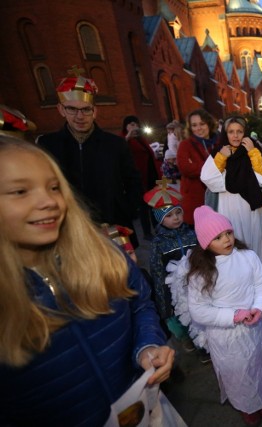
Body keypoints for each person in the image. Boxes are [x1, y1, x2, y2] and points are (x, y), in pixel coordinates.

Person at [0, 137, 175, 426]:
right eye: (20, 191)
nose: (48, 201)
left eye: (54, 187)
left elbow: (139, 304)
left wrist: (147, 346)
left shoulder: (103, 255)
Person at [187, 206, 262, 427]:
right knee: (236, 371)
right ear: (206, 243)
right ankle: (246, 405)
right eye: (218, 237)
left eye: (228, 233)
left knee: (257, 362)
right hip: (225, 336)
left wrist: (259, 306)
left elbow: (261, 283)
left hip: (253, 328)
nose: (226, 239)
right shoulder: (201, 274)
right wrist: (233, 315)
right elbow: (199, 310)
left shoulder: (248, 256)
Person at [37, 70, 142, 245]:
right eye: (72, 109)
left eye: (86, 109)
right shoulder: (48, 145)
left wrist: (127, 211)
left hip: (113, 227)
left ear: (94, 111)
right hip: (69, 232)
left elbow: (133, 181)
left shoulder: (115, 144)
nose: (80, 116)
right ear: (61, 109)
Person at [201, 116, 262, 276]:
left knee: (255, 246)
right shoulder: (219, 152)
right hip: (228, 208)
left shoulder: (254, 151)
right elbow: (208, 179)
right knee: (235, 248)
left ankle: (260, 289)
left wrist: (253, 153)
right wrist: (221, 158)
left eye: (239, 131)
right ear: (225, 134)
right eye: (231, 132)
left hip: (252, 210)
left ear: (245, 133)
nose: (235, 136)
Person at [145, 180, 198, 350]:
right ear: (159, 219)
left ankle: (204, 341)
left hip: (196, 282)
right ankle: (188, 338)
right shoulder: (158, 244)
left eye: (178, 213)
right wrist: (163, 304)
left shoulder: (191, 234)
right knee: (181, 316)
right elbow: (158, 273)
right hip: (175, 291)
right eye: (168, 215)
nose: (175, 218)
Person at [122, 115, 161, 240]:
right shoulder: (124, 139)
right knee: (144, 207)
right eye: (131, 124)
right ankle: (147, 233)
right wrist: (128, 137)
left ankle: (157, 228)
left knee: (154, 204)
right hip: (138, 179)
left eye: (135, 124)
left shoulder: (141, 139)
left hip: (150, 176)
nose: (134, 127)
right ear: (126, 127)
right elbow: (121, 150)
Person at [177, 108, 217, 225]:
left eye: (202, 124)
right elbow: (185, 168)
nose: (198, 128)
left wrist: (197, 166)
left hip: (218, 196)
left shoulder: (218, 142)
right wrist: (214, 166)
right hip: (196, 197)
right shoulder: (186, 145)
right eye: (194, 125)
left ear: (209, 123)